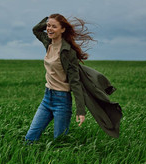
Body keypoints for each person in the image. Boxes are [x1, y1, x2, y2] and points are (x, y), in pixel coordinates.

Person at [25, 13, 94, 142]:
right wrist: (48, 20)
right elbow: (36, 29)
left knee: (59, 142)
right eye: (48, 26)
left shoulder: (68, 52)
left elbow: (75, 82)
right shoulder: (48, 43)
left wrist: (80, 110)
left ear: (63, 29)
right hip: (47, 98)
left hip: (62, 101)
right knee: (30, 138)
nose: (49, 29)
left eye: (54, 27)